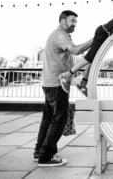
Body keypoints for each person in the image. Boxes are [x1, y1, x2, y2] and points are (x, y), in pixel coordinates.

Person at [35, 10, 93, 167]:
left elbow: (73, 54)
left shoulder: (59, 35)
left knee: (48, 118)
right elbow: (75, 50)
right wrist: (95, 39)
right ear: (62, 21)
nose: (74, 24)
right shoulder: (60, 35)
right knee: (60, 119)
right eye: (72, 21)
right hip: (57, 83)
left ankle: (39, 151)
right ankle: (45, 156)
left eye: (76, 21)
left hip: (50, 82)